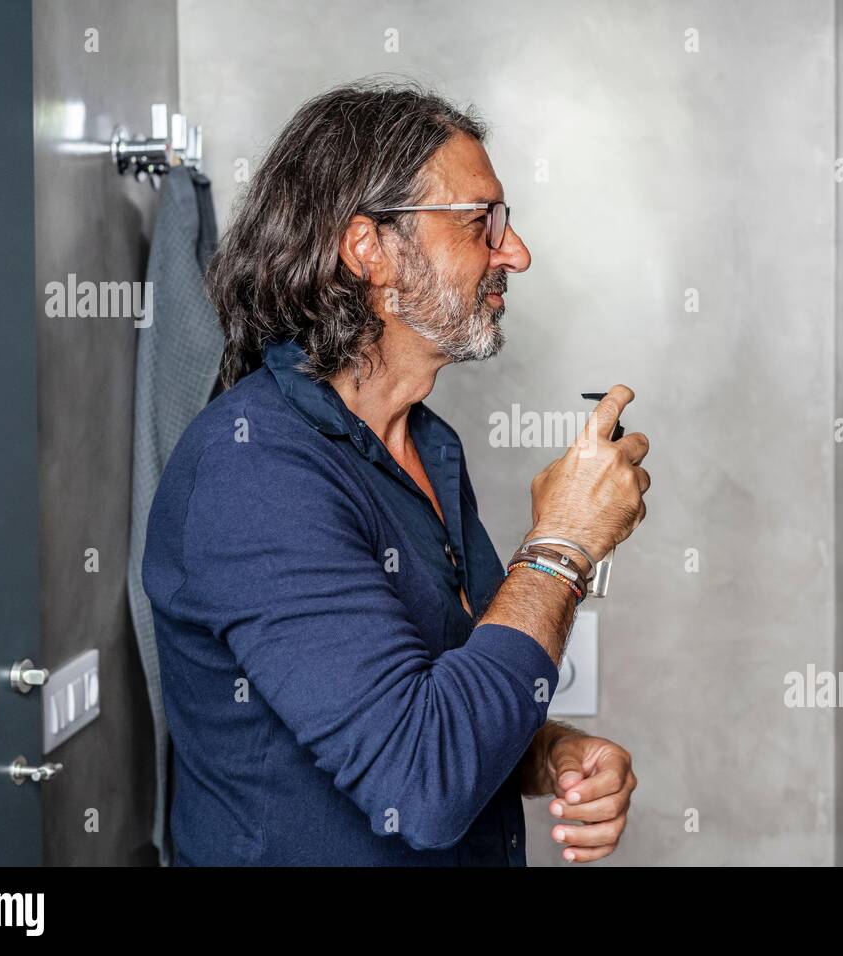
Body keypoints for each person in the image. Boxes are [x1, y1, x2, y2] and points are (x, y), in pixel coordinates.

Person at [143, 78, 651, 865]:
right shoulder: (254, 471)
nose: (514, 252)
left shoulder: (428, 446)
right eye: (481, 223)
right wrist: (561, 547)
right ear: (368, 250)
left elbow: (434, 698)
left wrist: (548, 753)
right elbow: (420, 780)